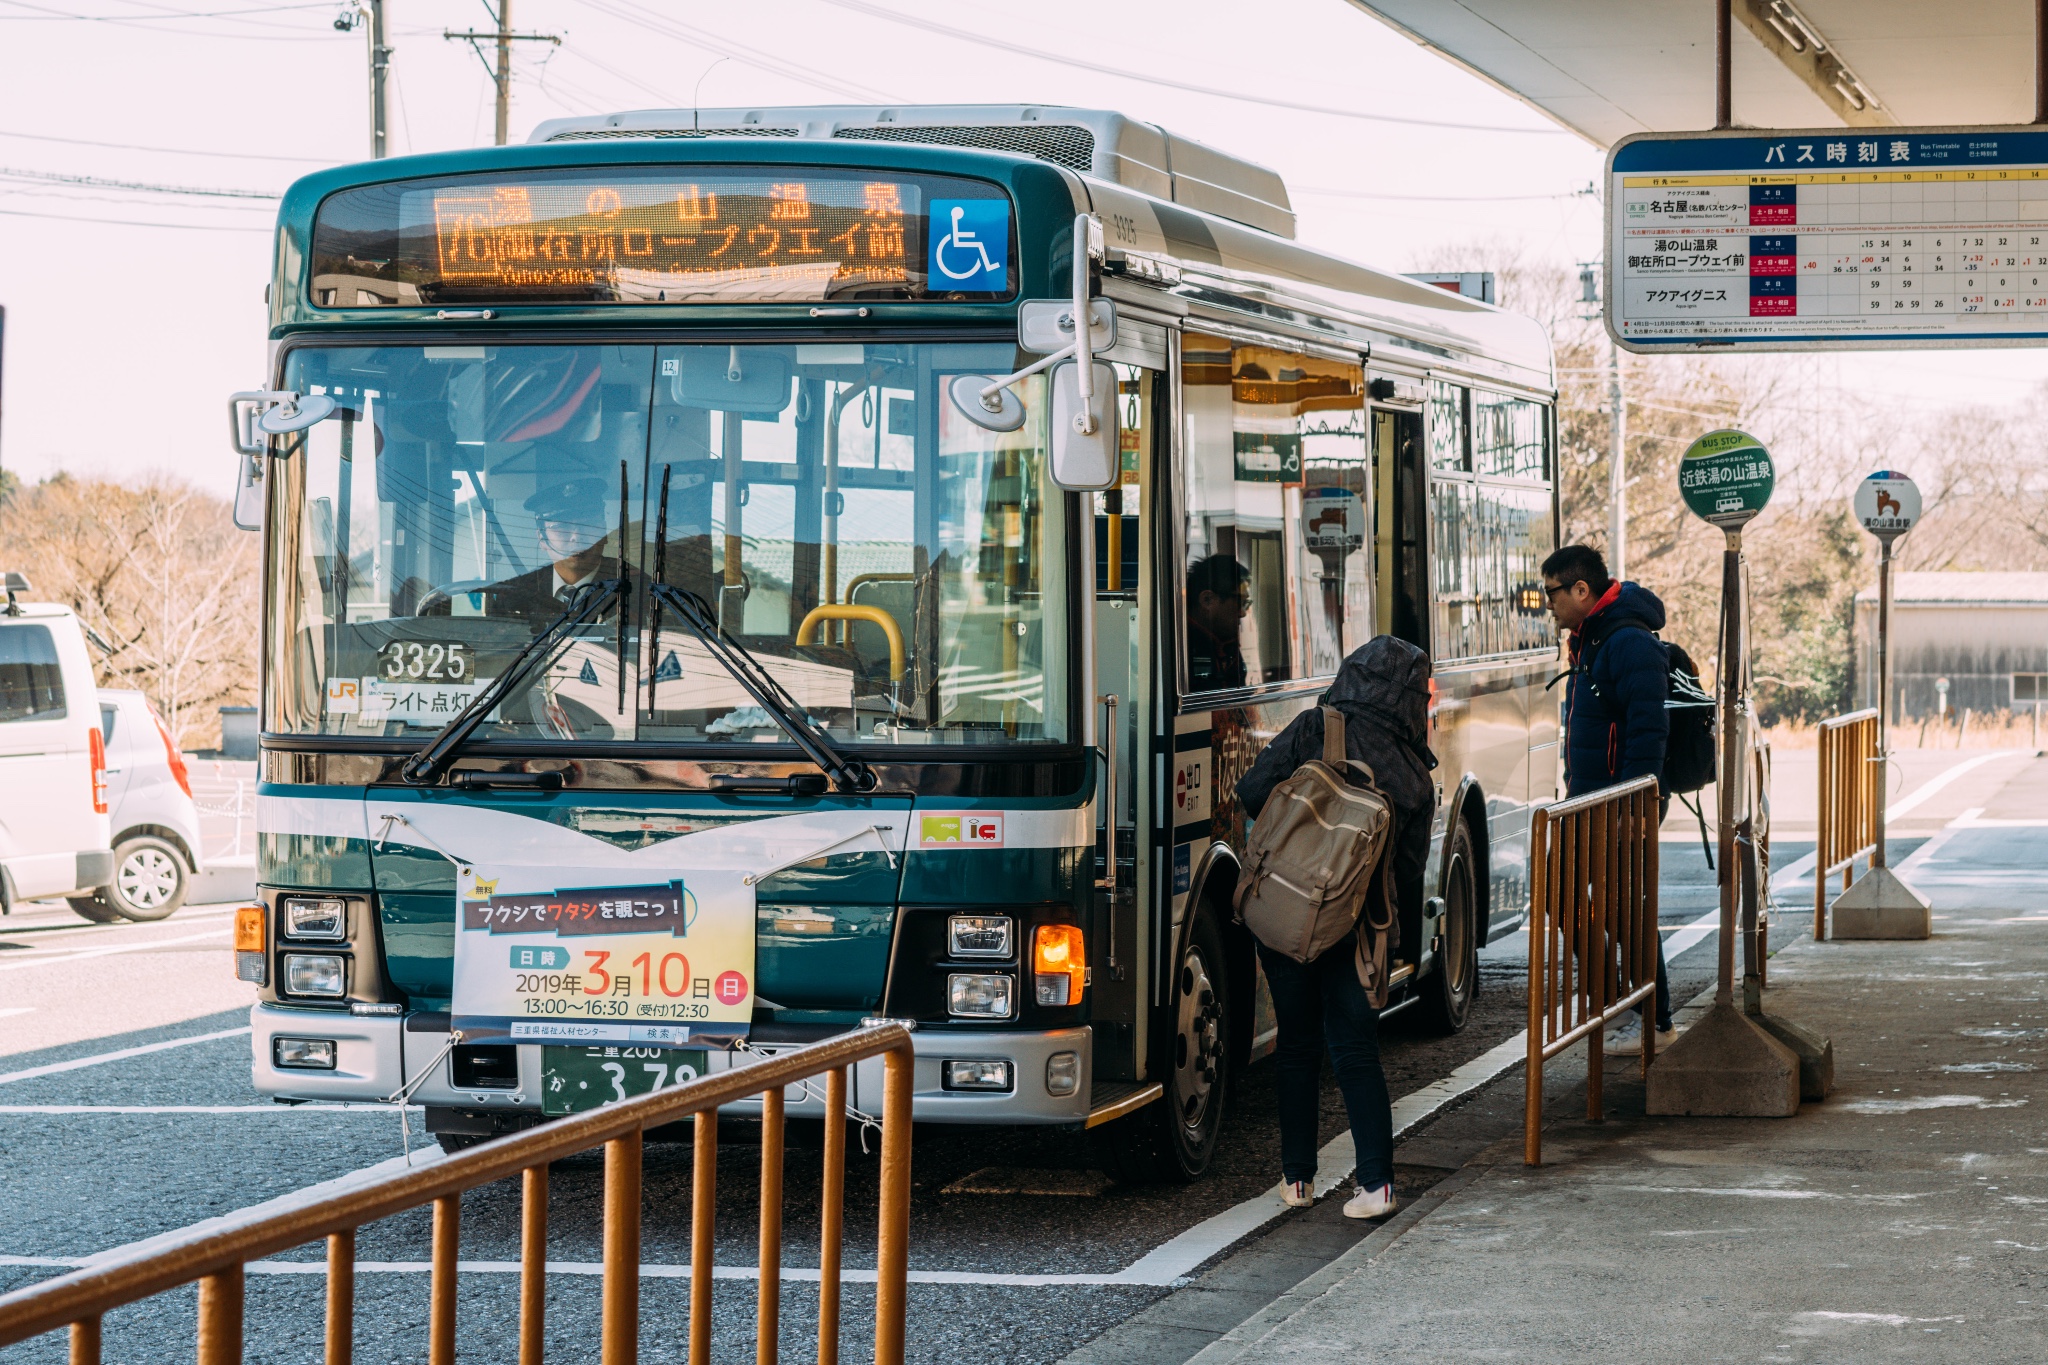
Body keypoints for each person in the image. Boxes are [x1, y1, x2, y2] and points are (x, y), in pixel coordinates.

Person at [1236, 635, 1436, 1220]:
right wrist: (1399, 951)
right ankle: (1375, 1186)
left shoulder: (1314, 728)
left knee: (1296, 1046)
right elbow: (1407, 873)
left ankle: (1297, 1180)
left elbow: (1252, 795)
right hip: (1356, 926)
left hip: (1290, 910)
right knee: (1354, 1051)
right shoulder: (1413, 775)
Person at [1541, 543, 1674, 1054]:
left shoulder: (1627, 641)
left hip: (1620, 804)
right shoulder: (1591, 637)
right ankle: (1619, 996)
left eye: (1552, 592)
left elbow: (1649, 728)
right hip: (1590, 799)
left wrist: (1639, 805)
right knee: (1561, 889)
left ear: (1581, 590)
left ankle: (1653, 1018)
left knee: (1626, 910)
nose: (1547, 603)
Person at [1186, 554, 1251, 690]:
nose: (1243, 613)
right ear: (1207, 600)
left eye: (1246, 604)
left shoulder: (1226, 644)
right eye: (1240, 602)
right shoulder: (1183, 647)